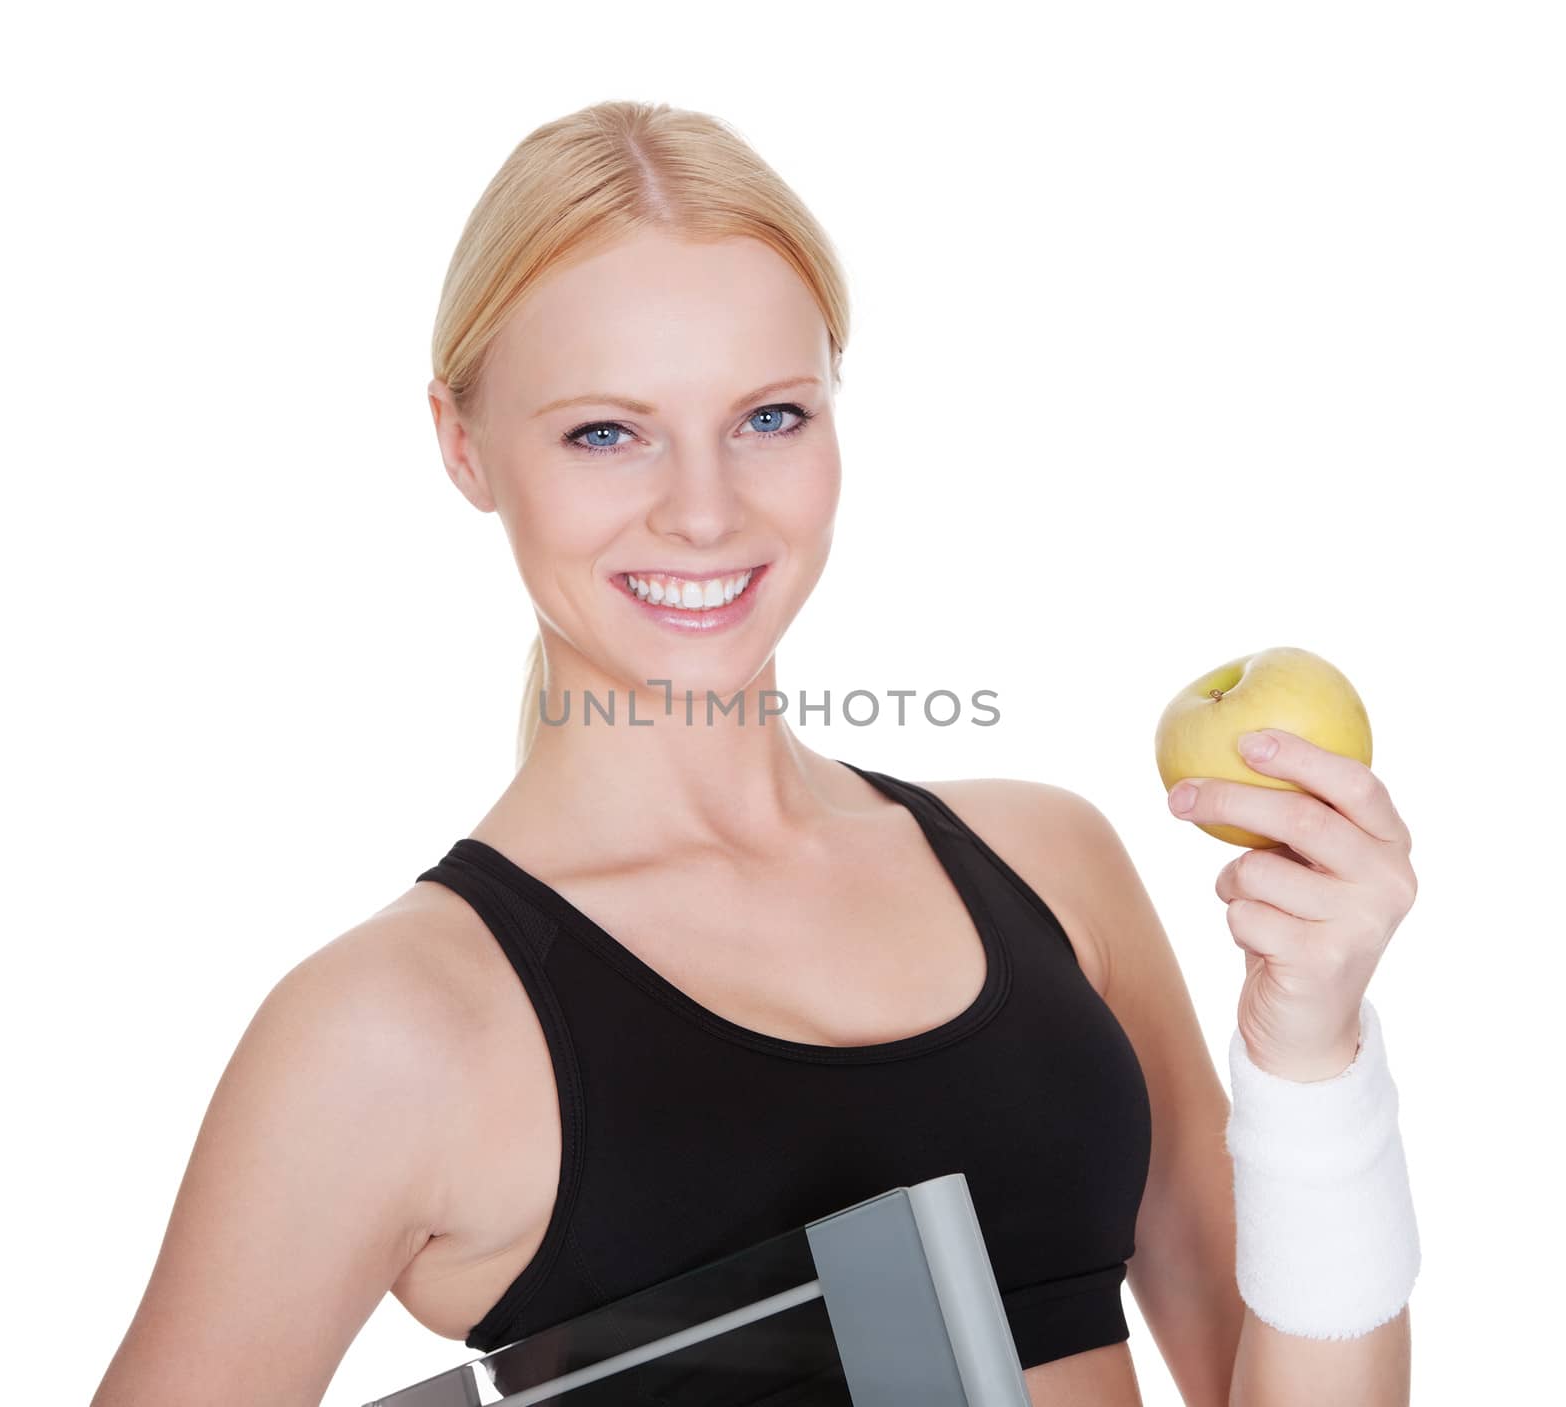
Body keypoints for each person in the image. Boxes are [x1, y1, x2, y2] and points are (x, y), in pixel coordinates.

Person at [91, 100, 1419, 1407]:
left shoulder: (1049, 863)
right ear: (463, 445)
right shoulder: (388, 1032)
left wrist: (1311, 1063)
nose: (706, 509)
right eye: (605, 432)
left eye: (770, 417)